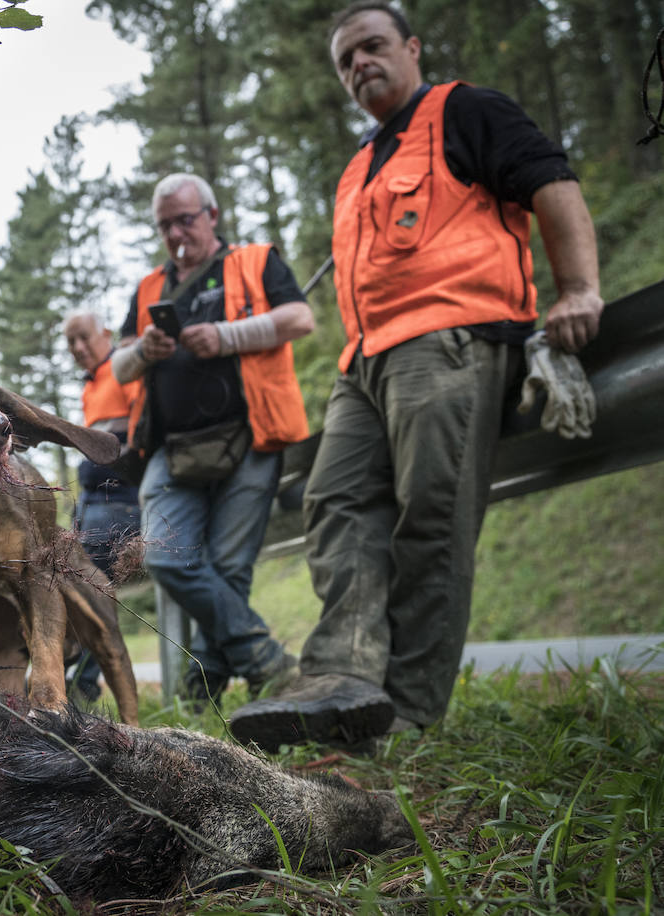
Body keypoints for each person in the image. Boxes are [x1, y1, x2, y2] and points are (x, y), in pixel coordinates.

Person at [229, 2, 604, 752]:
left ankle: (408, 712)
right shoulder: (361, 165)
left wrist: (579, 289)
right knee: (334, 502)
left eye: (371, 47)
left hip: (449, 341)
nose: (359, 64)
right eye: (345, 60)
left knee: (430, 518)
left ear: (411, 47)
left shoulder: (465, 111)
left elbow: (550, 182)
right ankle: (344, 679)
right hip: (363, 363)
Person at [113, 173, 315, 703]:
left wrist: (227, 336)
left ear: (212, 215)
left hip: (251, 437)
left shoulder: (255, 262)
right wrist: (143, 352)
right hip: (169, 448)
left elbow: (300, 317)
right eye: (165, 224)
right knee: (166, 559)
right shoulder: (148, 288)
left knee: (228, 568)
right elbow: (117, 368)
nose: (177, 232)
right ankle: (265, 659)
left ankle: (200, 695)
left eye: (186, 218)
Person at [62, 311, 144, 700]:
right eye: (70, 343)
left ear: (106, 334)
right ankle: (69, 679)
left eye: (85, 338)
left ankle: (81, 684)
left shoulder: (123, 370)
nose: (79, 349)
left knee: (91, 588)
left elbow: (137, 434)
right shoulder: (91, 385)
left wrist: (103, 458)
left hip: (122, 501)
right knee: (80, 585)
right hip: (94, 502)